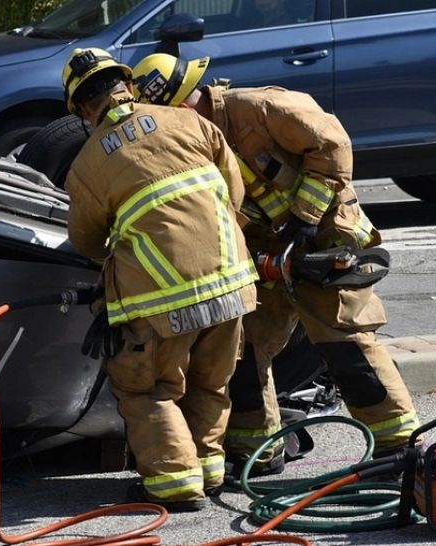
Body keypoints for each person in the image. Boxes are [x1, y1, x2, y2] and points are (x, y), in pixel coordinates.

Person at [130, 53, 420, 475]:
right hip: (272, 255)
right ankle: (259, 452)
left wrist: (304, 219)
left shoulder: (260, 108)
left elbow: (333, 144)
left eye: (178, 110)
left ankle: (397, 447)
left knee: (343, 342)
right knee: (243, 347)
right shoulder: (194, 144)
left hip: (323, 238)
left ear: (191, 99)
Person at [61, 48, 259, 511]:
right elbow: (235, 191)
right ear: (126, 86)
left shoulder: (88, 164)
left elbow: (87, 241)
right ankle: (210, 472)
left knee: (147, 389)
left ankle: (175, 484)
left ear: (84, 110)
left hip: (160, 301)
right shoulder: (187, 121)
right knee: (212, 383)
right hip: (233, 283)